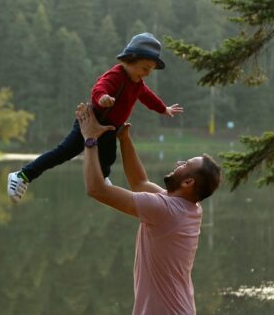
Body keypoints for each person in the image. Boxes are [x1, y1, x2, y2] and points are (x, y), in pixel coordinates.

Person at [75, 102, 221, 315]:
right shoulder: (188, 208)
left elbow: (97, 189)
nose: (178, 164)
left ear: (188, 182)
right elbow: (140, 183)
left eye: (185, 164)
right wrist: (124, 139)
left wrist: (90, 139)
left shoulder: (166, 210)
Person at [7, 32, 183, 203]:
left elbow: (147, 97)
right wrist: (103, 98)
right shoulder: (117, 75)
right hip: (91, 124)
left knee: (108, 157)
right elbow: (99, 88)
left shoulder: (137, 83)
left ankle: (102, 180)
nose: (146, 74)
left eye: (150, 71)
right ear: (131, 60)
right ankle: (22, 175)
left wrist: (163, 109)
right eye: (145, 68)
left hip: (109, 129)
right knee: (63, 153)